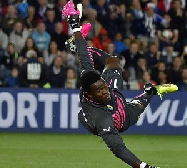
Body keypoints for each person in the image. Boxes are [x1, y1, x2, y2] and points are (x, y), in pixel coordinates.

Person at [62, 1, 178, 167]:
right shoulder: (101, 119)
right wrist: (145, 167)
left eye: (103, 86)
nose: (105, 91)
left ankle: (71, 44)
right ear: (89, 95)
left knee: (113, 61)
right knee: (140, 103)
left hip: (114, 101)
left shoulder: (90, 76)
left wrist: (74, 25)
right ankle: (151, 91)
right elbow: (118, 149)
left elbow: (84, 55)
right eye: (100, 91)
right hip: (119, 120)